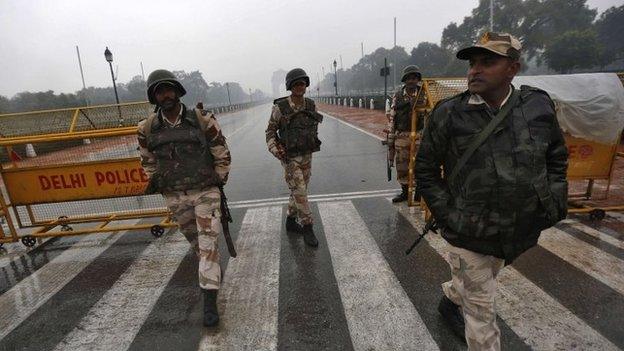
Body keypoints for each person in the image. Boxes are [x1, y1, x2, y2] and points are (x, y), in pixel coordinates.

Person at [416, 32, 568, 350]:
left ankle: (452, 298)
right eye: (472, 63)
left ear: (513, 68)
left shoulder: (537, 105)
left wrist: (553, 200)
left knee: (477, 280)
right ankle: (465, 300)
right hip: (468, 233)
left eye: (488, 62)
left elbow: (556, 155)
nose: (475, 70)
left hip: (518, 229)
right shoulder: (448, 114)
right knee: (482, 318)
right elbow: (426, 172)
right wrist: (450, 216)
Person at [137, 69, 231, 327]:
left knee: (208, 242)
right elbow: (147, 161)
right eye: (159, 91)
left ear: (178, 91)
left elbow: (221, 152)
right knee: (198, 245)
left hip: (205, 192)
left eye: (169, 89)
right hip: (176, 196)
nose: (165, 95)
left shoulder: (201, 120)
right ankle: (211, 271)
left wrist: (218, 180)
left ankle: (209, 301)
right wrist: (162, 184)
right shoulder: (146, 129)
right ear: (154, 97)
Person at [266, 68, 323, 247]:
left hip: (307, 155)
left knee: (299, 191)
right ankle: (308, 227)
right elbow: (270, 132)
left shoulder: (311, 105)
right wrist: (276, 150)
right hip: (290, 158)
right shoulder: (280, 108)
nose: (300, 86)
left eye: (303, 83)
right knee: (300, 191)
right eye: (296, 83)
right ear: (290, 86)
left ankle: (290, 221)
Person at [387, 65, 426, 202]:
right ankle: (405, 192)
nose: (411, 81)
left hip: (420, 135)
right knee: (402, 165)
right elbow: (392, 118)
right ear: (405, 80)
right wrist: (391, 141)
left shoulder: (424, 94)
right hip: (402, 135)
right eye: (409, 78)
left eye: (414, 78)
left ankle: (419, 192)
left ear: (418, 79)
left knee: (420, 164)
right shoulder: (397, 96)